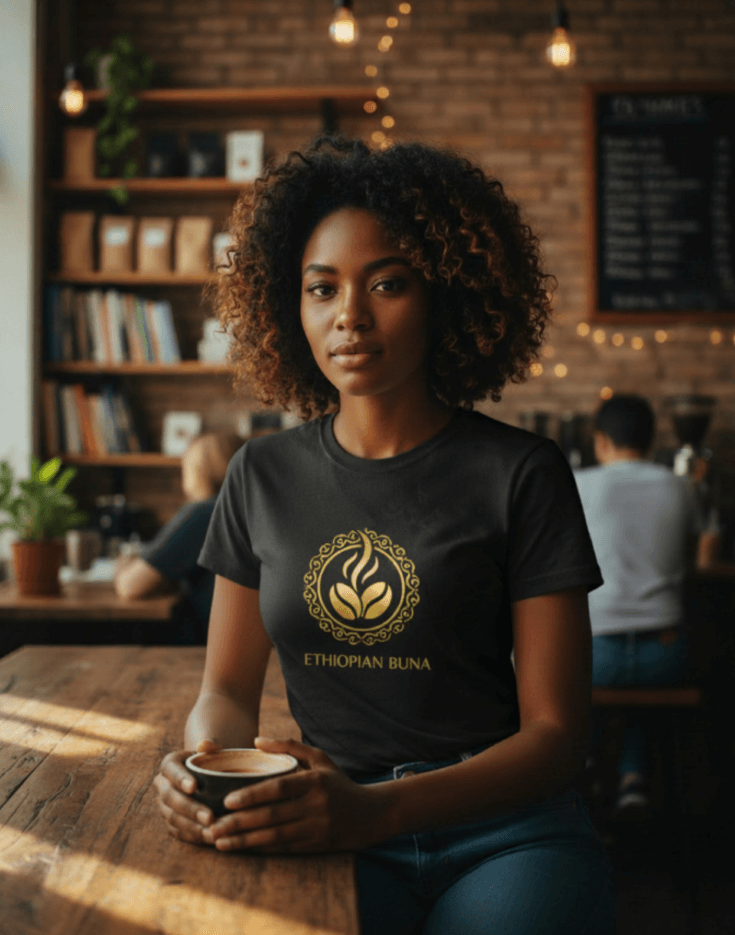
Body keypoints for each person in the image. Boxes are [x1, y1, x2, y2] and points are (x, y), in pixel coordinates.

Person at [153, 135, 616, 934]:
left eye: (388, 284)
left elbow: (555, 736)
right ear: (287, 307)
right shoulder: (259, 476)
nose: (349, 317)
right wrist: (208, 767)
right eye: (322, 288)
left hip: (503, 828)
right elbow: (225, 692)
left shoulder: (522, 472)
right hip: (324, 822)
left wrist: (375, 809)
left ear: (447, 296)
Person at [573, 394, 704, 813]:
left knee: (567, 675)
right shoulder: (680, 486)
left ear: (601, 440)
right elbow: (695, 557)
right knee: (642, 692)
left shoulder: (576, 484)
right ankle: (633, 777)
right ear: (650, 441)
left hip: (596, 657)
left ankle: (587, 767)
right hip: (667, 656)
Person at [114, 431, 243, 642]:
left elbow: (131, 586)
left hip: (209, 648)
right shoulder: (246, 510)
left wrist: (122, 564)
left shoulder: (205, 513)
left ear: (200, 470)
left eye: (186, 466)